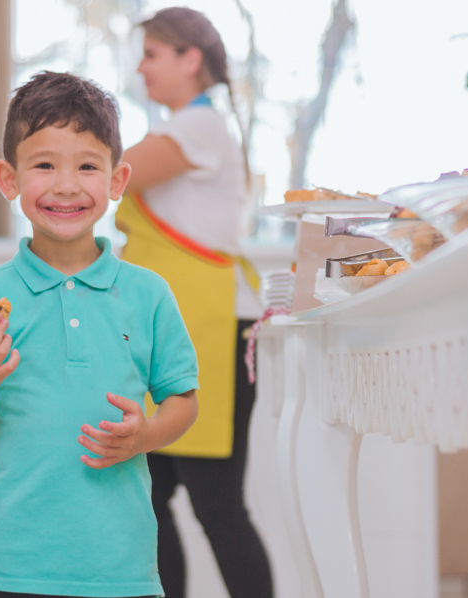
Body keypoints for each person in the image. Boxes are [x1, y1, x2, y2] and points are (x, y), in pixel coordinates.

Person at [0, 71, 200, 598]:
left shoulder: (148, 295)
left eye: (87, 166)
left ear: (117, 180)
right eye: (43, 165)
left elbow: (183, 400)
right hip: (7, 567)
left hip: (120, 572)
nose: (65, 185)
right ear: (8, 179)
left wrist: (147, 435)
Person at [114, 8, 273, 598]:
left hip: (210, 332)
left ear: (191, 60)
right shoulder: (188, 126)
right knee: (148, 500)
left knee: (217, 506)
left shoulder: (198, 126)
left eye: (152, 54)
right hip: (172, 331)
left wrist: (54, 151)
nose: (141, 67)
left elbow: (114, 172)